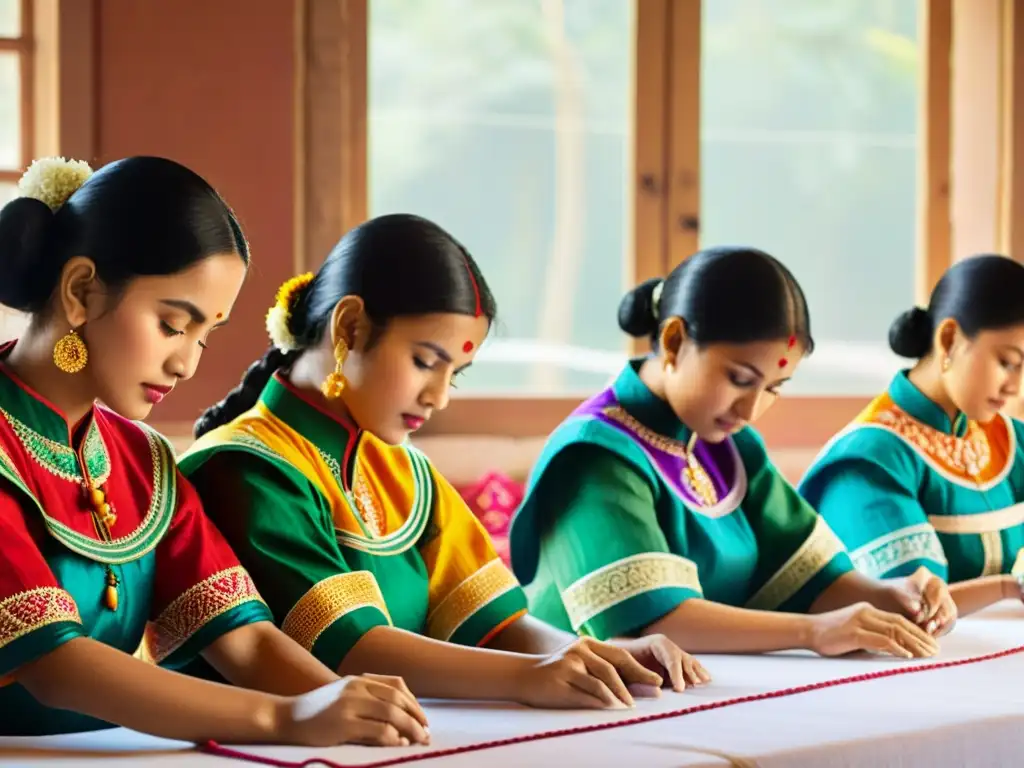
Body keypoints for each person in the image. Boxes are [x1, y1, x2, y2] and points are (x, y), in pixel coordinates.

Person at [182, 213, 709, 710]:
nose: (439, 396)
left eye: (453, 374)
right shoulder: (244, 467)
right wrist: (527, 677)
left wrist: (592, 653)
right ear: (349, 329)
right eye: (424, 363)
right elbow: (352, 649)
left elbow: (494, 622)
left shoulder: (402, 469)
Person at [0, 156, 429, 747]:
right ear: (80, 291)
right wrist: (284, 718)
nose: (186, 363)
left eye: (205, 335)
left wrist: (337, 699)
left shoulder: (142, 459)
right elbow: (56, 666)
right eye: (173, 324)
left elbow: (240, 636)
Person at [509, 246, 955, 657]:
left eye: (774, 388)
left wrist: (892, 595)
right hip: (600, 704)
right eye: (740, 380)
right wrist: (813, 631)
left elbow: (814, 578)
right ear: (675, 342)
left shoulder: (729, 447)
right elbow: (655, 625)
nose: (751, 408)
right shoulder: (595, 456)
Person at [799, 254, 1024, 617]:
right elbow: (915, 605)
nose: (1015, 386)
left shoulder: (1011, 440)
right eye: (1008, 362)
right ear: (949, 339)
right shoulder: (866, 461)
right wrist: (1009, 588)